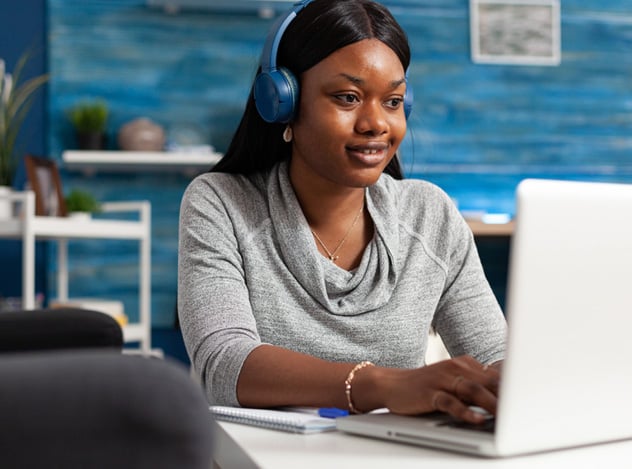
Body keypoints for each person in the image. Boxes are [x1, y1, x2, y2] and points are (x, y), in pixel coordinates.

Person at [178, 0, 507, 424]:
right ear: (283, 103)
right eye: (348, 97)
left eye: (392, 101)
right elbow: (223, 365)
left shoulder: (430, 214)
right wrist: (384, 385)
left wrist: (505, 388)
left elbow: (496, 357)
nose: (376, 123)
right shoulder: (220, 203)